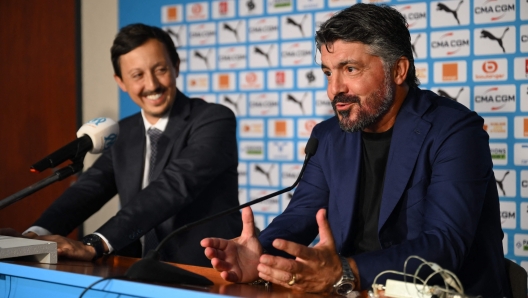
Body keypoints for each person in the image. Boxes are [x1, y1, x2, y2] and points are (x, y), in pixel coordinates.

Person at [201, 3, 510, 296]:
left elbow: (445, 246)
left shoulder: (454, 130)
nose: (335, 88)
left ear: (398, 70)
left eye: (350, 69)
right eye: (328, 72)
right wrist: (259, 255)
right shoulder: (328, 136)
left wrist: (345, 272)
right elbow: (301, 215)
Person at [5, 23, 242, 266]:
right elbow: (89, 188)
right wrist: (35, 235)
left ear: (176, 66)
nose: (151, 85)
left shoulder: (214, 119)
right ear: (120, 81)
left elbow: (174, 185)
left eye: (160, 69)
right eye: (137, 75)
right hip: (135, 272)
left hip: (205, 271)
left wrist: (97, 243)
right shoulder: (124, 131)